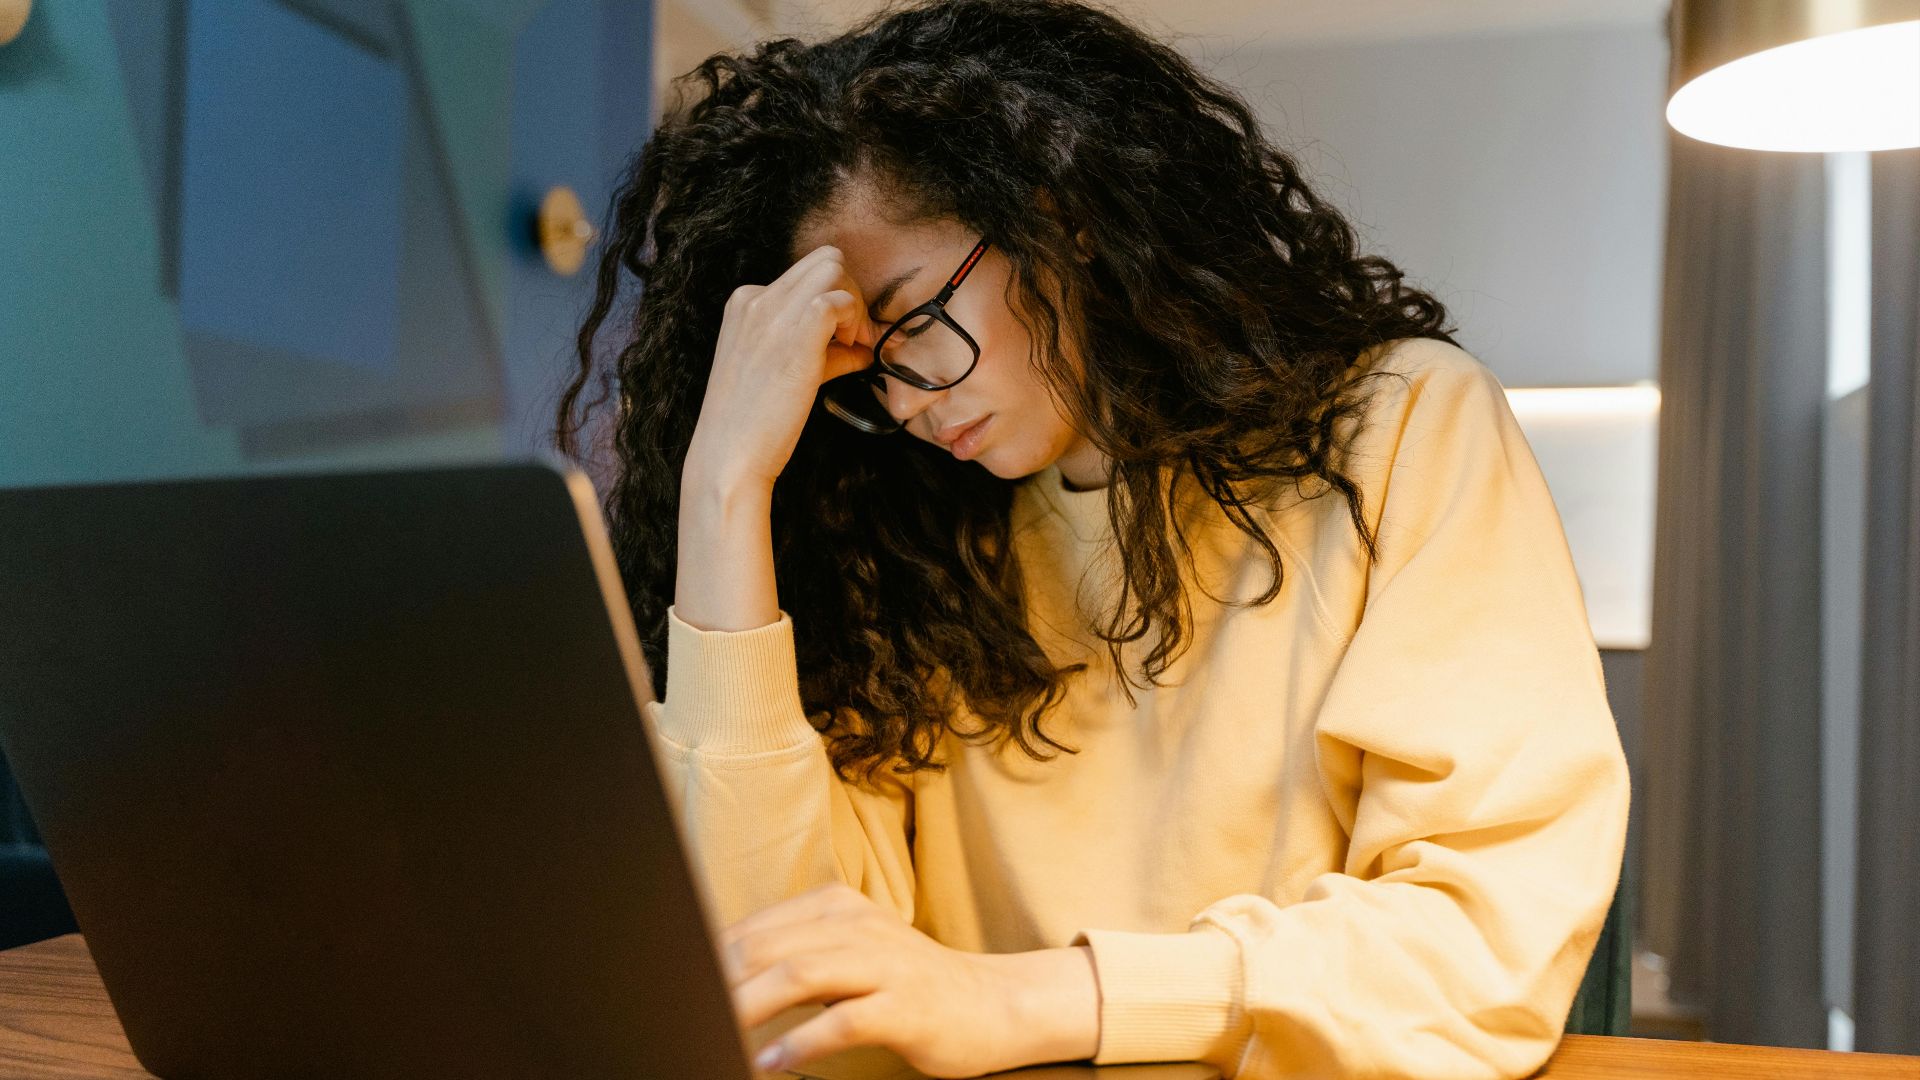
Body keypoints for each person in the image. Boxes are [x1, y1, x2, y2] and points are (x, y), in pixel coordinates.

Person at [553, 1, 1631, 1076]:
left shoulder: (1399, 428)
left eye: (916, 321)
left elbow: (1481, 944)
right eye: (864, 364)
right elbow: (783, 989)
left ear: (1057, 219)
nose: (910, 399)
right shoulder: (901, 542)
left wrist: (1023, 999)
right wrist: (726, 485)